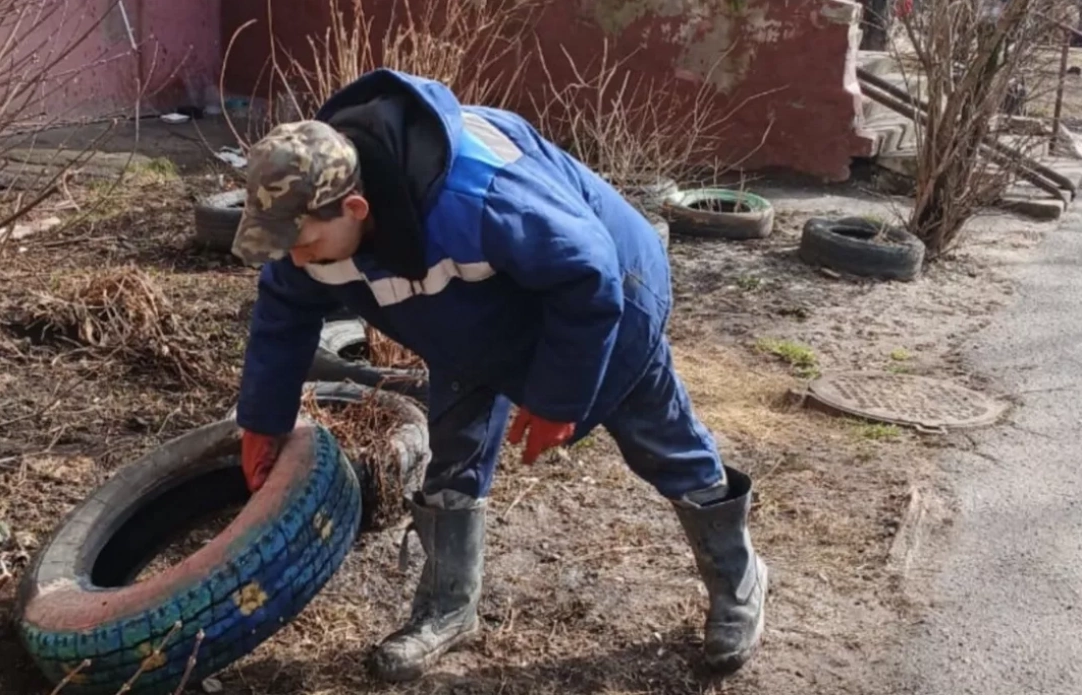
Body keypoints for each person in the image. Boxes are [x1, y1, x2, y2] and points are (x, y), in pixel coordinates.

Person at [229, 68, 768, 683]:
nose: (295, 260)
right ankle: (449, 609)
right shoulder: (308, 227)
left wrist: (555, 399)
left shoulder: (480, 198)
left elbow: (587, 279)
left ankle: (737, 581)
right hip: (471, 315)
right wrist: (263, 422)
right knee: (454, 454)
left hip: (609, 295)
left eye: (304, 244)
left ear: (355, 207)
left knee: (659, 442)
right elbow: (282, 315)